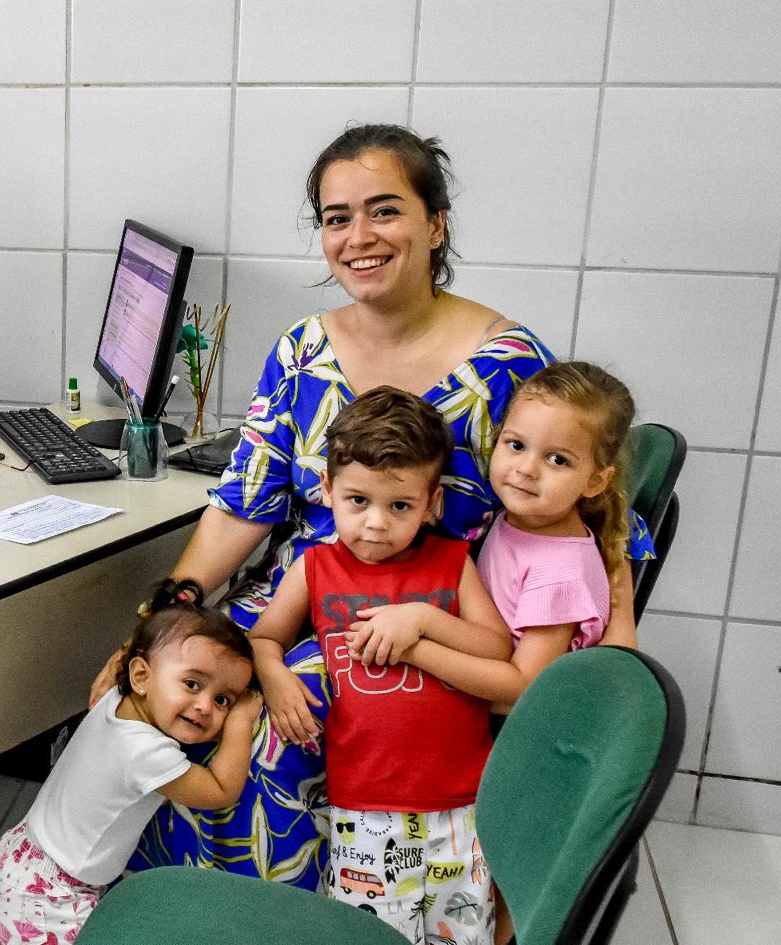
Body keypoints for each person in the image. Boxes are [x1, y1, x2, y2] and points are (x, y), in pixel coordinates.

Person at [91, 123, 653, 889]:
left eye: (385, 210)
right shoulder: (300, 350)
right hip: (297, 592)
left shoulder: (507, 365)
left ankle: (280, 918)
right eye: (336, 217)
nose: (359, 236)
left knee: (244, 735)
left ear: (435, 224)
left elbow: (585, 511)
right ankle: (143, 905)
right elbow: (244, 501)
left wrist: (616, 624)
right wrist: (170, 611)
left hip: (426, 613)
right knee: (149, 693)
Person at [250, 388, 508, 942]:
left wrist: (422, 619)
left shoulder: (452, 562)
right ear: (327, 491)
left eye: (400, 506)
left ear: (433, 504)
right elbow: (263, 638)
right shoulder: (316, 568)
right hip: (365, 807)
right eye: (357, 501)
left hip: (462, 803)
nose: (375, 524)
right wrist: (275, 680)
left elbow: (496, 650)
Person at [0, 580, 261, 945]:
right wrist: (240, 720)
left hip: (21, 854)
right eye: (192, 684)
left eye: (224, 699)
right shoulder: (146, 753)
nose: (206, 706)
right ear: (142, 676)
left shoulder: (116, 698)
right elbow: (221, 790)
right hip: (53, 891)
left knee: (8, 935)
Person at [377, 362, 635, 729]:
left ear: (595, 481)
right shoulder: (524, 517)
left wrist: (415, 648)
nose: (527, 469)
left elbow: (519, 688)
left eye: (557, 459)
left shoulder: (559, 574)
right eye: (516, 445)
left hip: (508, 735)